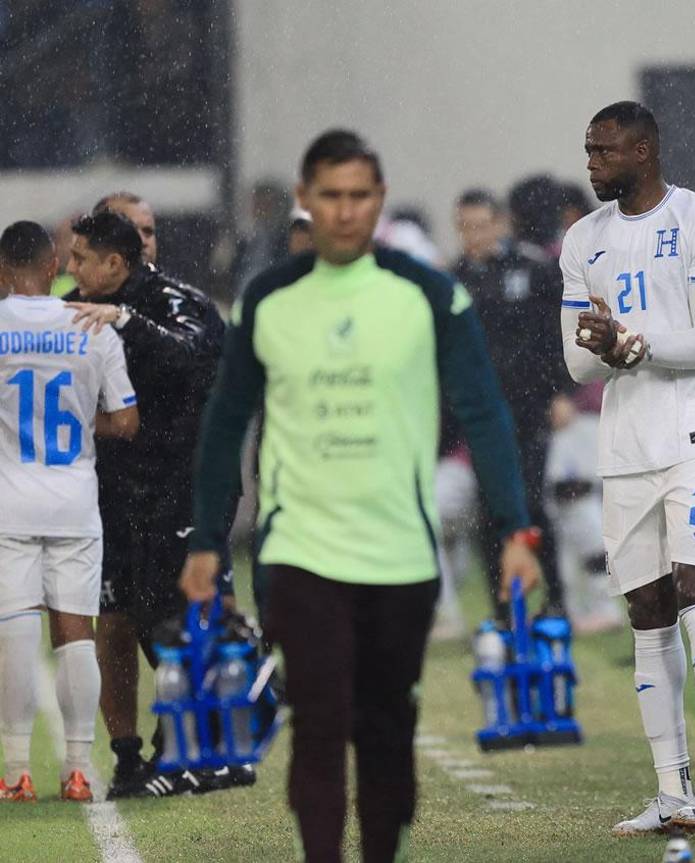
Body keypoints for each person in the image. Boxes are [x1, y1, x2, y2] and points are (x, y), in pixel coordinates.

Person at [179, 129, 542, 863]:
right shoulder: (268, 299)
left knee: (384, 727)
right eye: (331, 197)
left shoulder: (430, 294)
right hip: (299, 550)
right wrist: (208, 541)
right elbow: (224, 425)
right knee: (317, 721)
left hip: (399, 554)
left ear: (378, 201)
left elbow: (485, 410)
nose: (346, 212)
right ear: (306, 202)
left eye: (360, 197)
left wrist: (515, 529)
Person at [561, 101, 695, 833]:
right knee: (646, 612)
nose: (591, 163)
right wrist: (608, 347)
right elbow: (577, 357)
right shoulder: (584, 238)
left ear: (643, 151)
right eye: (588, 150)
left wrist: (631, 343)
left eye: (603, 151)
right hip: (626, 447)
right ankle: (671, 787)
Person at [62, 209, 230, 798]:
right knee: (112, 622)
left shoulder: (181, 303)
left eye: (80, 257)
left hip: (179, 485)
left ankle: (197, 745)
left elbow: (191, 357)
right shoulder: (72, 306)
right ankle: (130, 754)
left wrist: (126, 320)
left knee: (173, 621)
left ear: (115, 262)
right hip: (108, 489)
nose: (70, 266)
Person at [0, 221, 139, 803]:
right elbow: (127, 422)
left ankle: (14, 771)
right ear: (54, 260)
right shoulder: (92, 325)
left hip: (9, 499)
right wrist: (84, 426)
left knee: (15, 627)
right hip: (76, 500)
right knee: (76, 631)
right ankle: (78, 769)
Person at [452, 187, 569, 618]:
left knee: (534, 501)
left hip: (530, 408)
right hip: (483, 417)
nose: (474, 235)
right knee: (489, 511)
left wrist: (561, 392)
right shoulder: (453, 282)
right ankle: (503, 608)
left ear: (500, 224)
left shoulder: (533, 270)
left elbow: (555, 335)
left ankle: (556, 600)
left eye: (482, 225)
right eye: (466, 227)